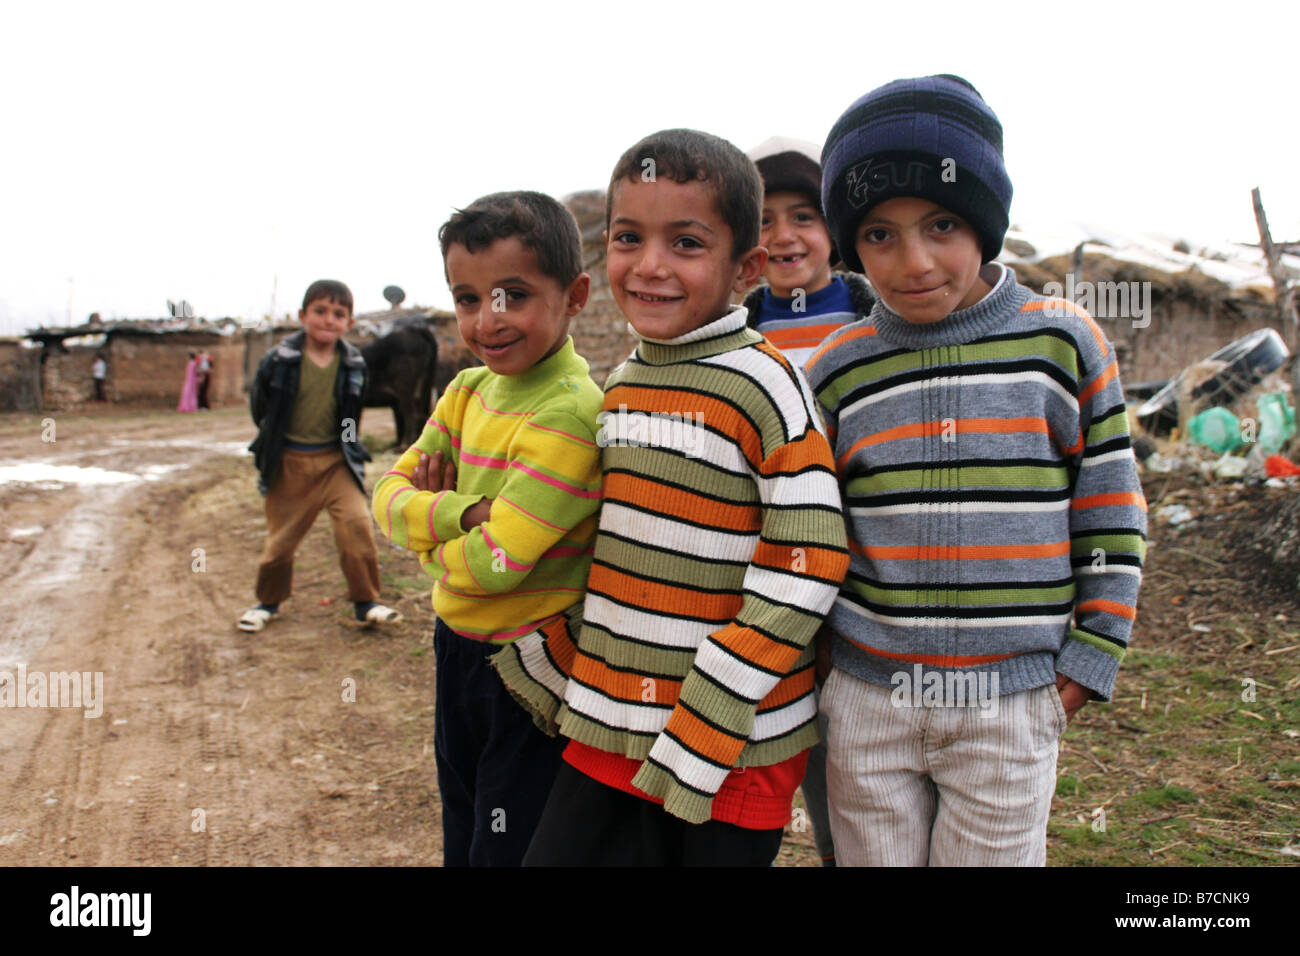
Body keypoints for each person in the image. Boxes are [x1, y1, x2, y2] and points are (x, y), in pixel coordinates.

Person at [807, 74, 1147, 866]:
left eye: (942, 224)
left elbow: (1109, 504)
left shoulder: (1062, 343)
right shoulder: (836, 368)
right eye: (879, 235)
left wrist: (1095, 648)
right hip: (869, 695)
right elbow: (813, 524)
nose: (913, 260)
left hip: (1009, 700)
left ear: (986, 224)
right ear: (851, 243)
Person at [516, 129, 850, 867]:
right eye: (628, 237)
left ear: (746, 269)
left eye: (688, 243)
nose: (651, 266)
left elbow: (810, 559)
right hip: (611, 719)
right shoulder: (625, 382)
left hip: (729, 740)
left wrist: (717, 701)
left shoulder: (764, 385)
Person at [371, 191, 603, 867]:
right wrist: (462, 515)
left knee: (506, 843)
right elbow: (385, 496)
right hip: (458, 648)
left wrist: (426, 537)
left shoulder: (569, 414)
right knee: (463, 813)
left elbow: (499, 562)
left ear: (576, 294)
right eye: (467, 298)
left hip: (527, 669)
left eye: (513, 295)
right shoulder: (467, 390)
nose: (487, 320)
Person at [740, 135, 875, 867]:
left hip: (861, 582)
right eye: (763, 220)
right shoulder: (735, 337)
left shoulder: (878, 324)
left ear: (835, 231)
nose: (784, 236)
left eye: (804, 216)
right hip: (762, 576)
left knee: (848, 775)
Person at [238, 279, 402, 634]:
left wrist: (349, 448)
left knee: (357, 527)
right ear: (302, 315)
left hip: (334, 464)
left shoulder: (353, 364)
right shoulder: (279, 360)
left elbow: (350, 417)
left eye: (338, 314)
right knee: (280, 543)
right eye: (320, 311)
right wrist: (274, 441)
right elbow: (261, 408)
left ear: (349, 323)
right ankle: (267, 603)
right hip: (289, 463)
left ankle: (366, 602)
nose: (329, 320)